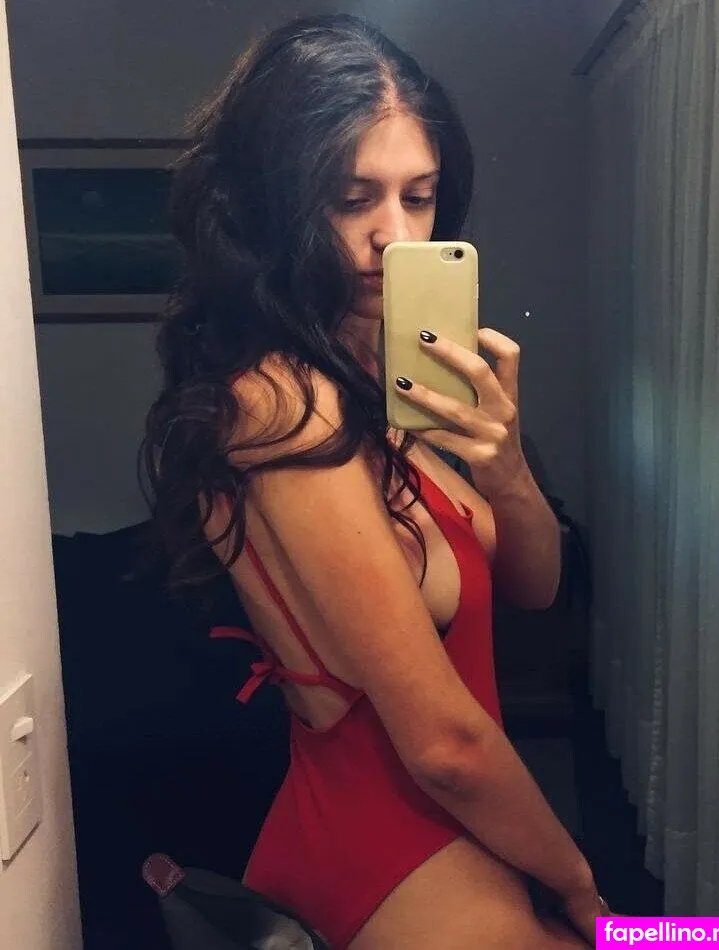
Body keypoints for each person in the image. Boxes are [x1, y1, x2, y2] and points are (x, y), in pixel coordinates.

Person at [142, 14, 609, 950]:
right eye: (351, 199)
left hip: (469, 827)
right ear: (273, 206)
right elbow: (445, 743)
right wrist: (583, 886)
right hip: (395, 847)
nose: (393, 237)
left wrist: (505, 466)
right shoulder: (282, 402)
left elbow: (534, 586)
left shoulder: (372, 382)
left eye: (419, 198)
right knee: (683, 941)